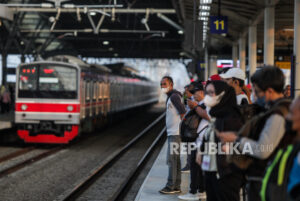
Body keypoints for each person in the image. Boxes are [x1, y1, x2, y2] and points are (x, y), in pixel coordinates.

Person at [218, 66, 292, 201]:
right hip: (267, 178)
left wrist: (237, 140)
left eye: (257, 92)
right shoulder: (278, 109)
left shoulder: (278, 115)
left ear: (269, 91)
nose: (255, 96)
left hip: (267, 180)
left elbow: (262, 149)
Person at [196, 80, 244, 201]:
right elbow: (209, 138)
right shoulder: (216, 116)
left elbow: (241, 145)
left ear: (223, 95)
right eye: (207, 92)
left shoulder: (233, 118)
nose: (208, 96)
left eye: (212, 92)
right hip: (212, 172)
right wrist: (201, 151)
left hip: (226, 175)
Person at [178, 83, 209, 200]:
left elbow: (207, 117)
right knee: (198, 168)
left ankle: (193, 192)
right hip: (198, 141)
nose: (193, 95)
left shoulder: (204, 104)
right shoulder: (201, 104)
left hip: (201, 141)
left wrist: (195, 107)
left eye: (195, 93)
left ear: (201, 93)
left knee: (195, 168)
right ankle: (201, 190)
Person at [159, 76, 186, 194]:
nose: (163, 86)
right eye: (161, 84)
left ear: (171, 84)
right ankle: (176, 186)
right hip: (174, 133)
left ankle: (170, 186)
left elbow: (183, 112)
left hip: (175, 133)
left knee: (171, 160)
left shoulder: (174, 96)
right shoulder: (172, 96)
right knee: (176, 160)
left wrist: (181, 128)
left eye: (165, 84)